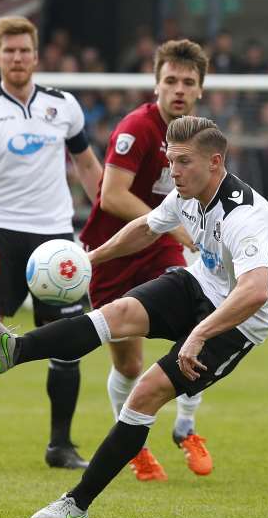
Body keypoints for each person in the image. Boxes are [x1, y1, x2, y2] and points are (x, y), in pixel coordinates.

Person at [0, 116, 268, 518]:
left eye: (184, 162)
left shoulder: (244, 217)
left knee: (146, 392)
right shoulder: (185, 195)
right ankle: (13, 350)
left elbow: (255, 291)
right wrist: (90, 258)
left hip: (239, 318)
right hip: (200, 283)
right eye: (171, 160)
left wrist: (198, 335)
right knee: (117, 312)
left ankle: (76, 504)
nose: (173, 171)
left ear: (215, 162)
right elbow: (146, 228)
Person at [0, 16, 102, 471]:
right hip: (0, 236)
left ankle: (60, 445)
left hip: (55, 238)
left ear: (36, 55)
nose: (17, 58)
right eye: (8, 51)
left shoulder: (64, 106)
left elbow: (88, 168)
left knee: (68, 341)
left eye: (24, 51)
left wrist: (102, 222)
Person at [80, 39, 212, 482]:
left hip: (162, 250)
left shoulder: (201, 137)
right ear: (156, 84)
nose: (178, 89)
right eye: (170, 80)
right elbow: (112, 196)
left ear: (199, 90)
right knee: (129, 365)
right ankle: (132, 443)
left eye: (187, 82)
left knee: (203, 324)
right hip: (116, 252)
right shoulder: (136, 128)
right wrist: (170, 225)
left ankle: (187, 427)